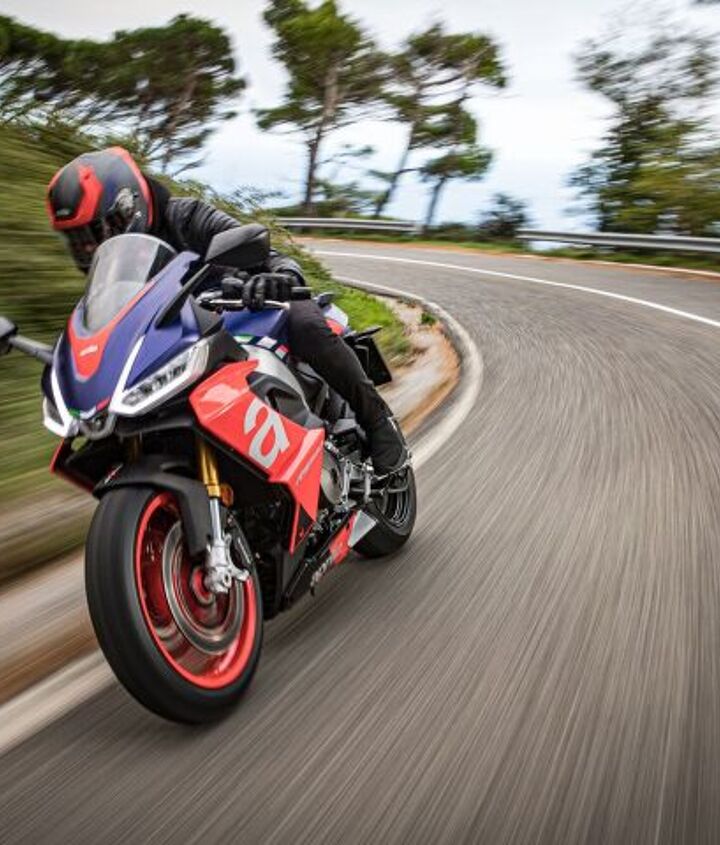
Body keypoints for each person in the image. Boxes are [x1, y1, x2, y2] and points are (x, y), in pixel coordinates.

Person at [46, 147, 407, 475]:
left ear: (130, 206)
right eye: (78, 240)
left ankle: (378, 420)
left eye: (95, 231)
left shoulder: (185, 217)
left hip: (251, 309)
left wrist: (279, 277)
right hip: (187, 338)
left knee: (305, 322)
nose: (89, 247)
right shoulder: (115, 265)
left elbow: (264, 251)